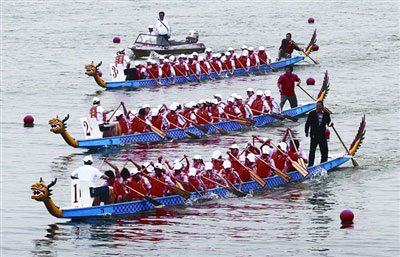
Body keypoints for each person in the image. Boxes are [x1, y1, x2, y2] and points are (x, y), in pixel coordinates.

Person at [305, 101, 332, 167]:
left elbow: (329, 122)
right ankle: (310, 165)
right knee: (312, 150)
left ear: (322, 107)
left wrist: (331, 124)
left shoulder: (326, 114)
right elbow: (307, 123)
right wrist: (306, 131)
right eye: (317, 106)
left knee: (324, 150)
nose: (318, 107)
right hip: (314, 134)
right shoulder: (312, 114)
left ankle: (323, 163)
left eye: (320, 106)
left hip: (322, 134)